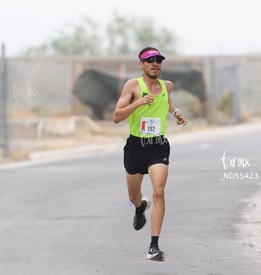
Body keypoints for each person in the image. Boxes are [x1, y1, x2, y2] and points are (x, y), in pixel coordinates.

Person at [113, 47, 187, 261]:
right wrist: (138, 103)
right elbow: (116, 116)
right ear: (141, 64)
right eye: (150, 60)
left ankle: (154, 246)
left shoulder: (167, 86)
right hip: (136, 147)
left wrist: (177, 112)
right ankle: (139, 207)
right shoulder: (133, 86)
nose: (155, 64)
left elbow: (167, 102)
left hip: (158, 146)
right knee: (133, 196)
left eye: (158, 60)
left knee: (159, 191)